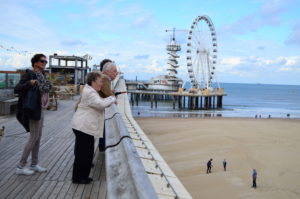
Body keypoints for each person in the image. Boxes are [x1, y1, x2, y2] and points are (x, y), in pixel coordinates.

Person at [71, 72, 116, 184]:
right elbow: (100, 104)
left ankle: (82, 176)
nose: (101, 84)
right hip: (83, 126)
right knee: (84, 153)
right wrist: (112, 99)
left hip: (83, 126)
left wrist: (109, 98)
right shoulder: (90, 92)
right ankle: (79, 178)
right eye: (100, 81)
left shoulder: (90, 90)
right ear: (94, 81)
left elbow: (100, 101)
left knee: (86, 152)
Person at [15, 54, 52, 175]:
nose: (44, 63)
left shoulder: (42, 75)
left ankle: (34, 164)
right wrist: (29, 83)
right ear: (35, 63)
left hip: (40, 108)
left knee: (38, 137)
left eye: (46, 62)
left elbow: (45, 88)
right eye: (42, 61)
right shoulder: (29, 74)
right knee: (33, 137)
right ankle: (20, 166)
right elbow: (17, 88)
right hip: (33, 109)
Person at [98, 59, 119, 151]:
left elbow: (106, 92)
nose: (117, 73)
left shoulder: (101, 78)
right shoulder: (105, 78)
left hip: (87, 114)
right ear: (107, 71)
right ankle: (102, 148)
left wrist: (111, 93)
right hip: (87, 115)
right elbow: (111, 97)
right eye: (114, 71)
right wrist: (113, 97)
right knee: (85, 146)